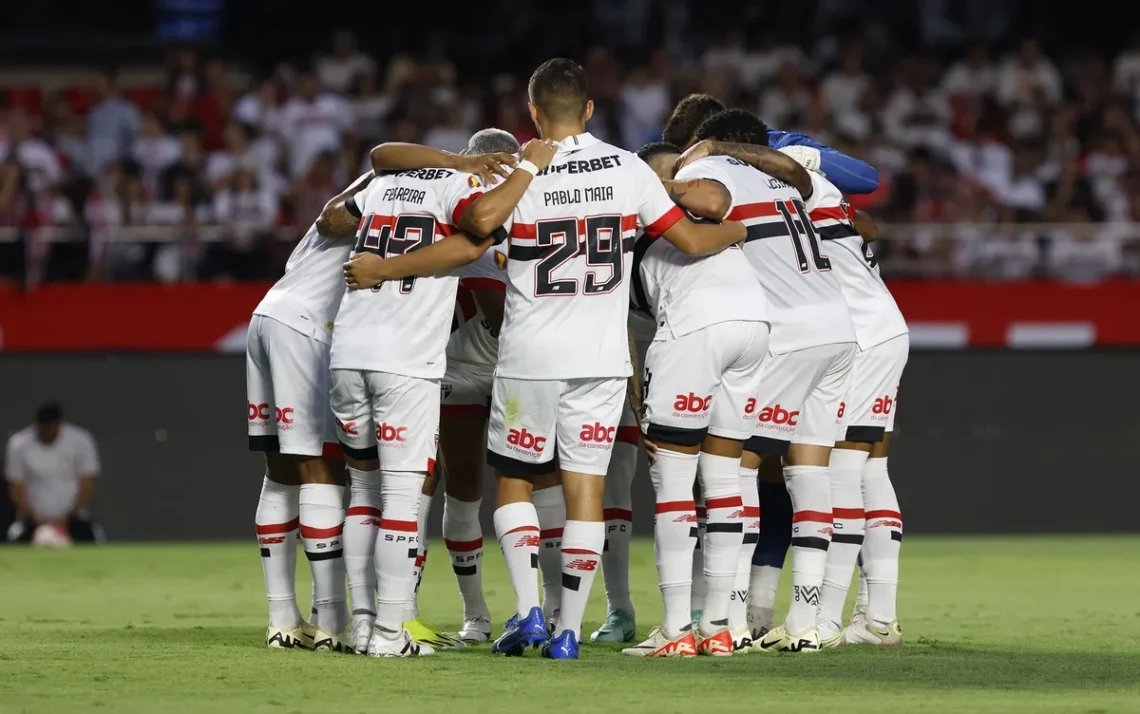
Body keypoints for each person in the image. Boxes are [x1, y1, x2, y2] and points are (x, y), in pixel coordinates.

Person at [346, 58, 748, 660]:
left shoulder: (514, 172)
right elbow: (689, 239)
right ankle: (568, 631)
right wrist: (739, 232)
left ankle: (529, 611)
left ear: (532, 111)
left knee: (515, 482)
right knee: (585, 486)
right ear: (589, 109)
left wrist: (386, 266)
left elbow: (471, 235)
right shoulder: (627, 169)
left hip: (530, 355)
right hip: (603, 357)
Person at [321, 130, 551, 657]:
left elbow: (378, 156)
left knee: (364, 493)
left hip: (351, 349)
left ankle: (364, 624)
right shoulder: (468, 191)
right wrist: (524, 172)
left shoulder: (390, 183)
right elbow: (480, 228)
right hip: (412, 362)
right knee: (407, 497)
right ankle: (391, 633)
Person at [679, 109, 858, 654]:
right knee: (810, 472)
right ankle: (805, 623)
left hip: (791, 334)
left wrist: (665, 179)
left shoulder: (716, 175)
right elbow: (804, 176)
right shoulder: (783, 178)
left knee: (732, 465)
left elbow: (704, 205)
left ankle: (726, 617)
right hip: (838, 330)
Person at [619, 141, 786, 658]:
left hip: (696, 330)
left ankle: (675, 630)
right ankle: (717, 625)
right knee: (723, 476)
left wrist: (639, 398)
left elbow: (620, 321)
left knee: (671, 484)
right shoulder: (707, 216)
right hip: (756, 327)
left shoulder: (629, 223)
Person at [246, 170, 375, 652]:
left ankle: (283, 617)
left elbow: (327, 223)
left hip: (269, 313)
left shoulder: (360, 188)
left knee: (279, 472)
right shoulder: (404, 189)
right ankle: (332, 621)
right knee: (320, 466)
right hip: (308, 326)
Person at [5, 402, 102, 544]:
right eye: (44, 428)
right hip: (32, 522)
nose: (47, 432)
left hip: (73, 520)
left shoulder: (81, 441)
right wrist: (36, 519)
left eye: (52, 427)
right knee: (14, 539)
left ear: (59, 424)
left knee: (93, 538)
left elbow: (87, 484)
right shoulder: (19, 444)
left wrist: (67, 519)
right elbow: (16, 488)